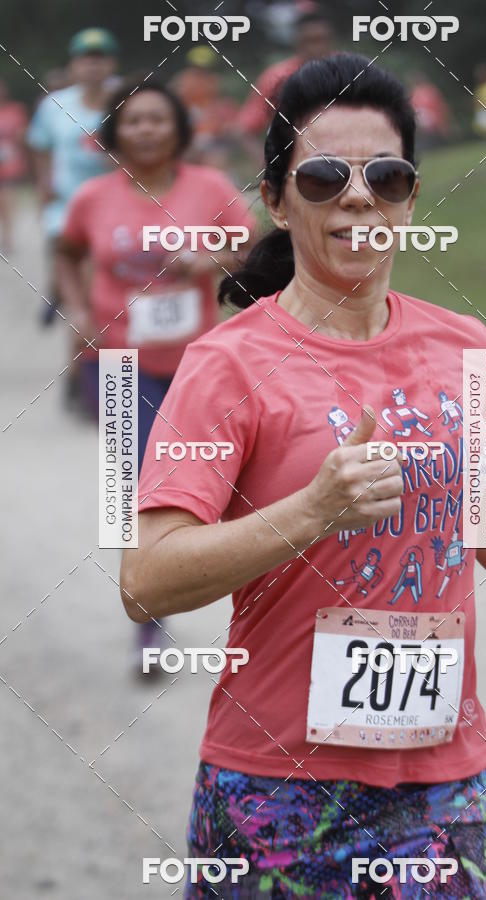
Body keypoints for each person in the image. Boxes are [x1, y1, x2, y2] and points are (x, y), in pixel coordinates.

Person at [121, 54, 486, 898]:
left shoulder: (466, 343)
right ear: (275, 198)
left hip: (445, 785)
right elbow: (146, 582)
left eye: (386, 174)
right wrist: (310, 511)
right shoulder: (225, 365)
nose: (357, 194)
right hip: (274, 789)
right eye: (322, 176)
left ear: (412, 195)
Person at [56, 81, 257, 673]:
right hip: (119, 364)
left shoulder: (211, 188)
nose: (145, 129)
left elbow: (253, 248)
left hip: (201, 366)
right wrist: (76, 310)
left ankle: (255, 607)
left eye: (157, 119)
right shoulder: (92, 198)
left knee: (224, 487)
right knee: (134, 492)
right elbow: (66, 252)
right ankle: (149, 619)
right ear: (116, 132)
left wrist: (209, 259)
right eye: (133, 120)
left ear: (178, 128)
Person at [27, 27, 118, 410]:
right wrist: (44, 187)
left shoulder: (123, 100)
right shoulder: (55, 105)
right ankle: (81, 375)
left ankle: (83, 370)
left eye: (99, 58)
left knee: (102, 295)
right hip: (67, 210)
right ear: (74, 64)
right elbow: (40, 147)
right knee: (85, 290)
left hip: (113, 212)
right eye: (85, 58)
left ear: (111, 63)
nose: (92, 65)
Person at [232, 8, 333, 165]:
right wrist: (269, 167)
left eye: (319, 40)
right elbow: (243, 131)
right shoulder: (276, 78)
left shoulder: (349, 72)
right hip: (295, 171)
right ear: (296, 42)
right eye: (308, 41)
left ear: (329, 40)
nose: (315, 48)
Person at [0, 79, 28, 253]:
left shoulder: (15, 110)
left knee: (7, 202)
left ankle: (8, 238)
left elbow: (23, 135)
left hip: (9, 164)